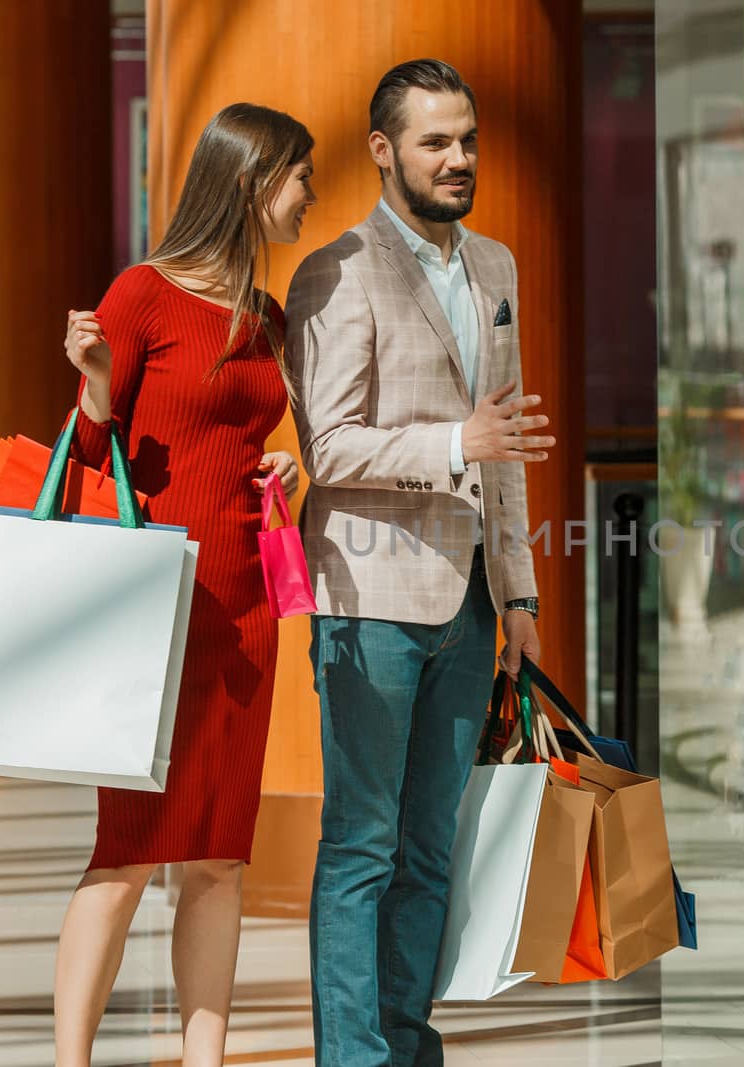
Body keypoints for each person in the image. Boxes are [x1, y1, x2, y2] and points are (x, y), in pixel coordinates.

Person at [285, 58, 553, 1066]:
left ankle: (405, 1043)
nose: (458, 157)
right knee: (362, 844)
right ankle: (350, 1055)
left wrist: (519, 586)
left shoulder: (495, 267)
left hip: (472, 601)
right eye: (436, 141)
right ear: (383, 150)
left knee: (430, 847)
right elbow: (332, 447)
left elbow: (508, 436)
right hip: (370, 598)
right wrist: (453, 445)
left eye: (467, 138)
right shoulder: (337, 269)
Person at [56, 102, 316, 1067]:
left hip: (245, 607)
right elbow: (87, 452)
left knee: (220, 858)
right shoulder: (142, 296)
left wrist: (292, 470)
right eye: (301, 177)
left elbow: (240, 443)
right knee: (124, 854)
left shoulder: (267, 317)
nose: (310, 195)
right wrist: (91, 379)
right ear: (251, 183)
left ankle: (205, 1060)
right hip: (151, 608)